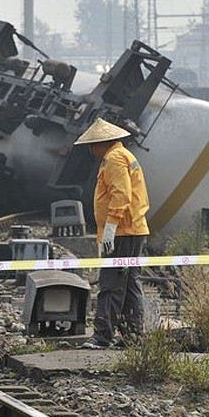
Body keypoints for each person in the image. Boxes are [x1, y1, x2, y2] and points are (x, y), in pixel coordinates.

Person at [75, 118, 151, 350]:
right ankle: (133, 336)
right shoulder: (123, 155)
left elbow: (121, 195)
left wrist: (110, 227)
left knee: (111, 283)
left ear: (103, 143)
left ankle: (102, 336)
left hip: (123, 232)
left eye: (93, 144)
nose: (91, 150)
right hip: (132, 229)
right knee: (129, 285)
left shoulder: (114, 159)